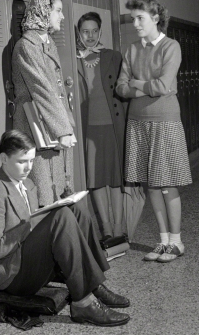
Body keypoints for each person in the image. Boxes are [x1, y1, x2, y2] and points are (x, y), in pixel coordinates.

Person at [0, 129, 130, 327]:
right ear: (4, 159)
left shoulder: (28, 184)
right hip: (12, 275)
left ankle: (94, 285)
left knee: (74, 208)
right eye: (22, 161)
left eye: (31, 160)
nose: (28, 167)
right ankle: (83, 303)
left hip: (29, 261)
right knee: (61, 216)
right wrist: (28, 225)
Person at [116, 0, 192, 263]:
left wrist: (137, 84)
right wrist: (145, 86)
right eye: (133, 19)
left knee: (166, 183)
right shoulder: (132, 49)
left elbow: (163, 85)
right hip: (137, 121)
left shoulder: (171, 47)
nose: (135, 23)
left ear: (155, 19)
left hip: (165, 120)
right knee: (151, 184)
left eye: (140, 18)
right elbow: (121, 88)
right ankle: (162, 241)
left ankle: (177, 241)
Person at [12, 0, 76, 206]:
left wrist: (65, 126)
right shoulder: (26, 46)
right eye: (58, 10)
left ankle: (60, 234)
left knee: (58, 186)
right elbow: (42, 89)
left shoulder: (47, 43)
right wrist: (63, 130)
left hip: (50, 122)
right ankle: (46, 236)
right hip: (35, 126)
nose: (62, 16)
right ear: (43, 12)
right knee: (42, 191)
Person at [76, 12, 126, 240]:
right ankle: (105, 229)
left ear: (100, 32)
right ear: (79, 33)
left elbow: (126, 90)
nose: (90, 36)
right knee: (95, 180)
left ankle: (119, 228)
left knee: (115, 179)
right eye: (85, 31)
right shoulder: (72, 60)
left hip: (112, 126)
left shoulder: (113, 56)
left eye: (94, 31)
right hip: (88, 130)